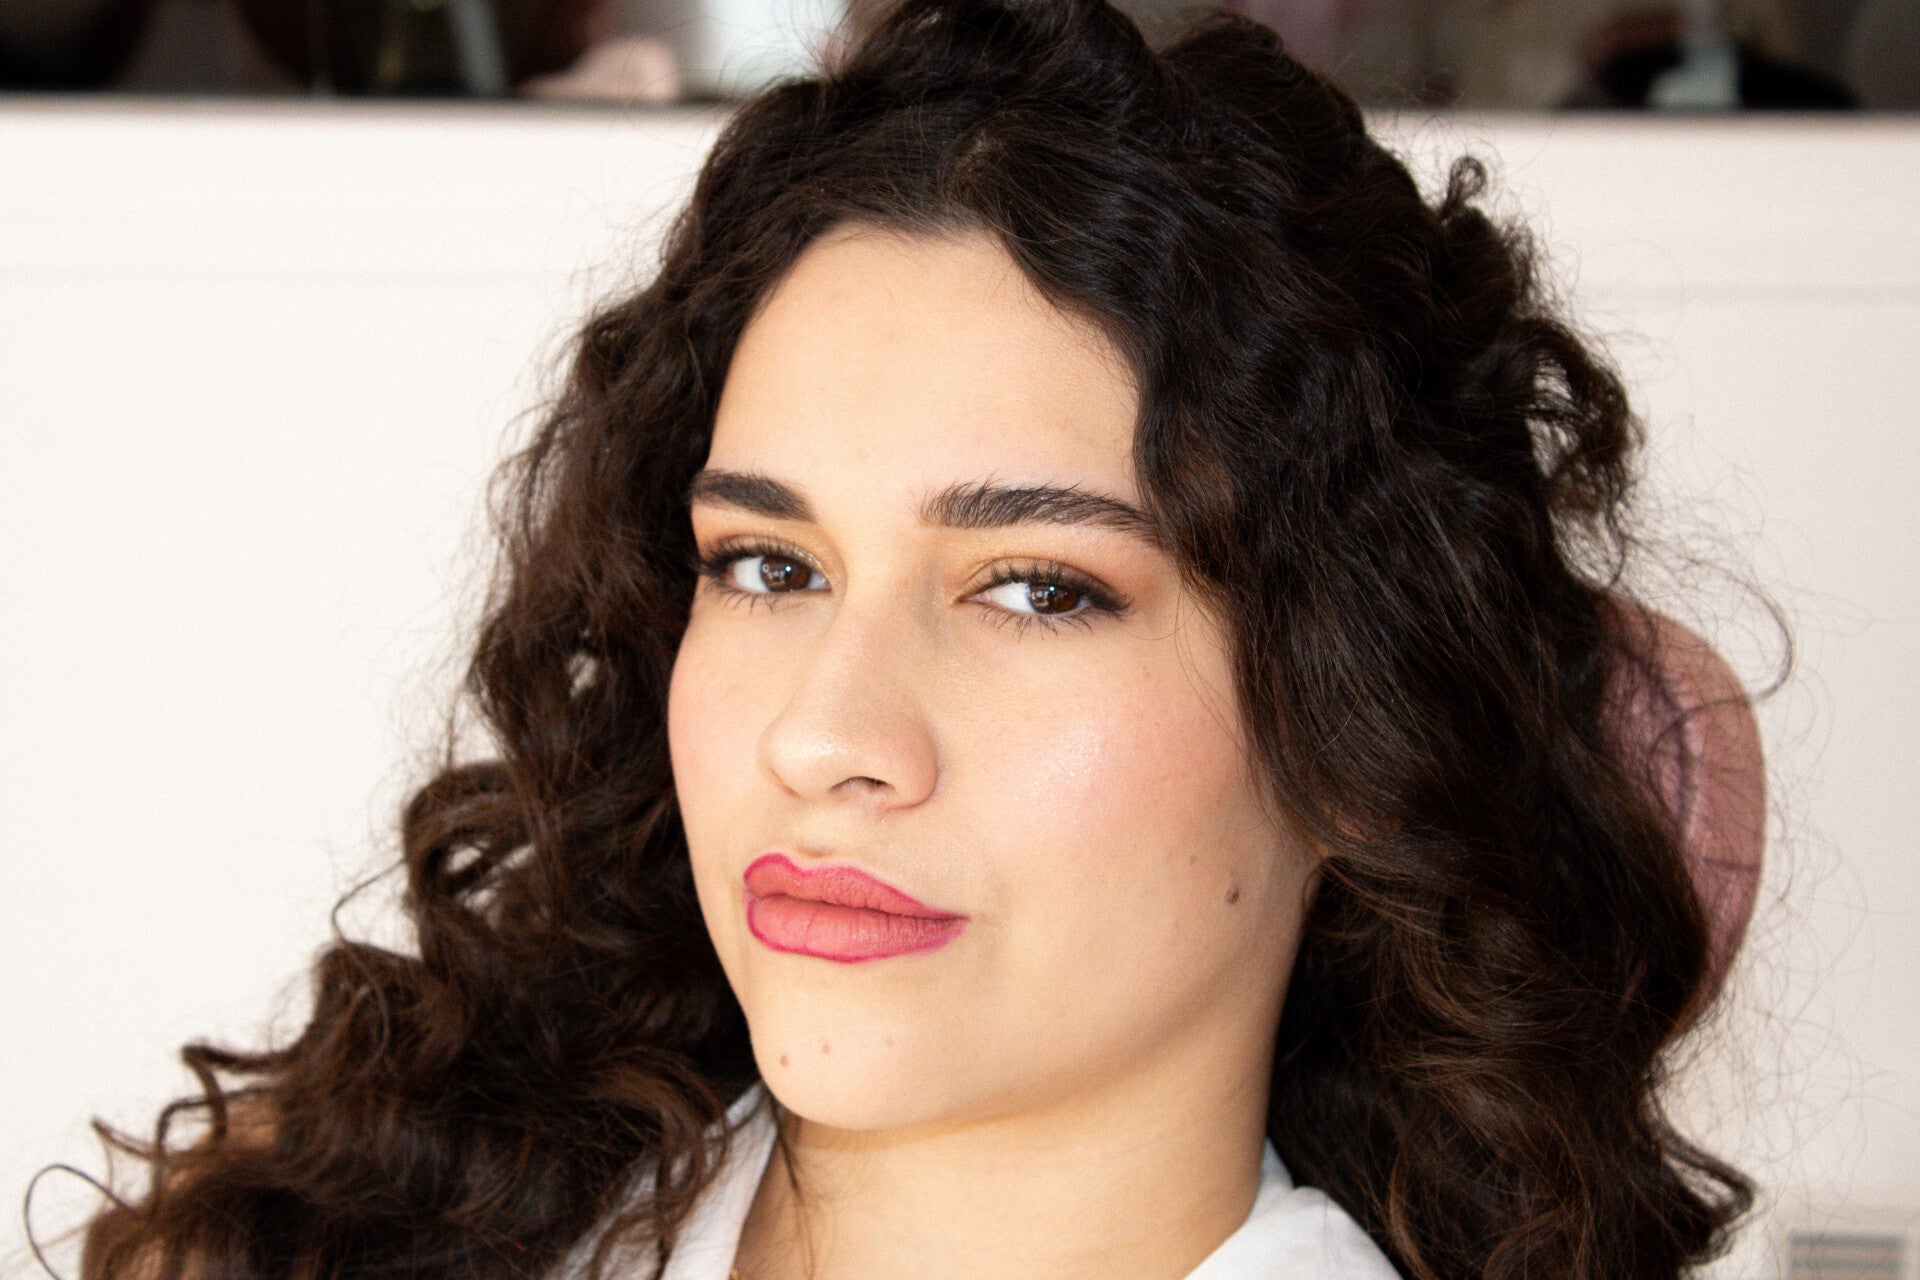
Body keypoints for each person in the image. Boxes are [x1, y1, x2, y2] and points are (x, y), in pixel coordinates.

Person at [69, 2, 1759, 1278]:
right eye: (768, 565)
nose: (825, 733)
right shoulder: (363, 1219)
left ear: (1362, 721)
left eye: (1038, 588)